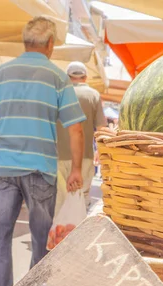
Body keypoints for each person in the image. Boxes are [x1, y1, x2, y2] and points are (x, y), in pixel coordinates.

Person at [0, 16, 86, 286]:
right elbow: (75, 128)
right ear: (49, 44)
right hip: (40, 169)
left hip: (4, 167)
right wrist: (75, 169)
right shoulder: (58, 77)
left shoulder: (2, 73)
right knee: (40, 241)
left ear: (25, 42)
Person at [55, 61, 106, 213]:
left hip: (58, 156)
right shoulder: (93, 95)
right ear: (85, 77)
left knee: (59, 200)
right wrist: (100, 151)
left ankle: (59, 234)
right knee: (81, 198)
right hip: (85, 155)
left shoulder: (58, 93)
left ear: (67, 77)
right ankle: (77, 233)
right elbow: (101, 128)